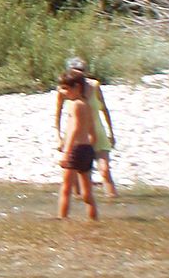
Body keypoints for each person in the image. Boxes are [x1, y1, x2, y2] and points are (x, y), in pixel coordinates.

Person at [53, 57, 116, 198]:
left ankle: (113, 202)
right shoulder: (65, 89)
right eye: (76, 71)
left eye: (82, 71)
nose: (80, 74)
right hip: (76, 136)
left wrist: (111, 133)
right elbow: (58, 114)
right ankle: (80, 204)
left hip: (97, 132)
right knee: (75, 178)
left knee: (105, 171)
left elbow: (104, 109)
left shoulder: (94, 86)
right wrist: (58, 137)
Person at [57, 71, 99, 221]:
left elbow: (74, 129)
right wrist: (92, 145)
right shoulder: (86, 104)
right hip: (87, 149)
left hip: (75, 149)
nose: (63, 92)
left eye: (65, 88)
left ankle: (62, 219)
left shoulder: (75, 105)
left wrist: (67, 152)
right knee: (87, 193)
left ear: (77, 87)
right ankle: (93, 220)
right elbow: (92, 129)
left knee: (66, 189)